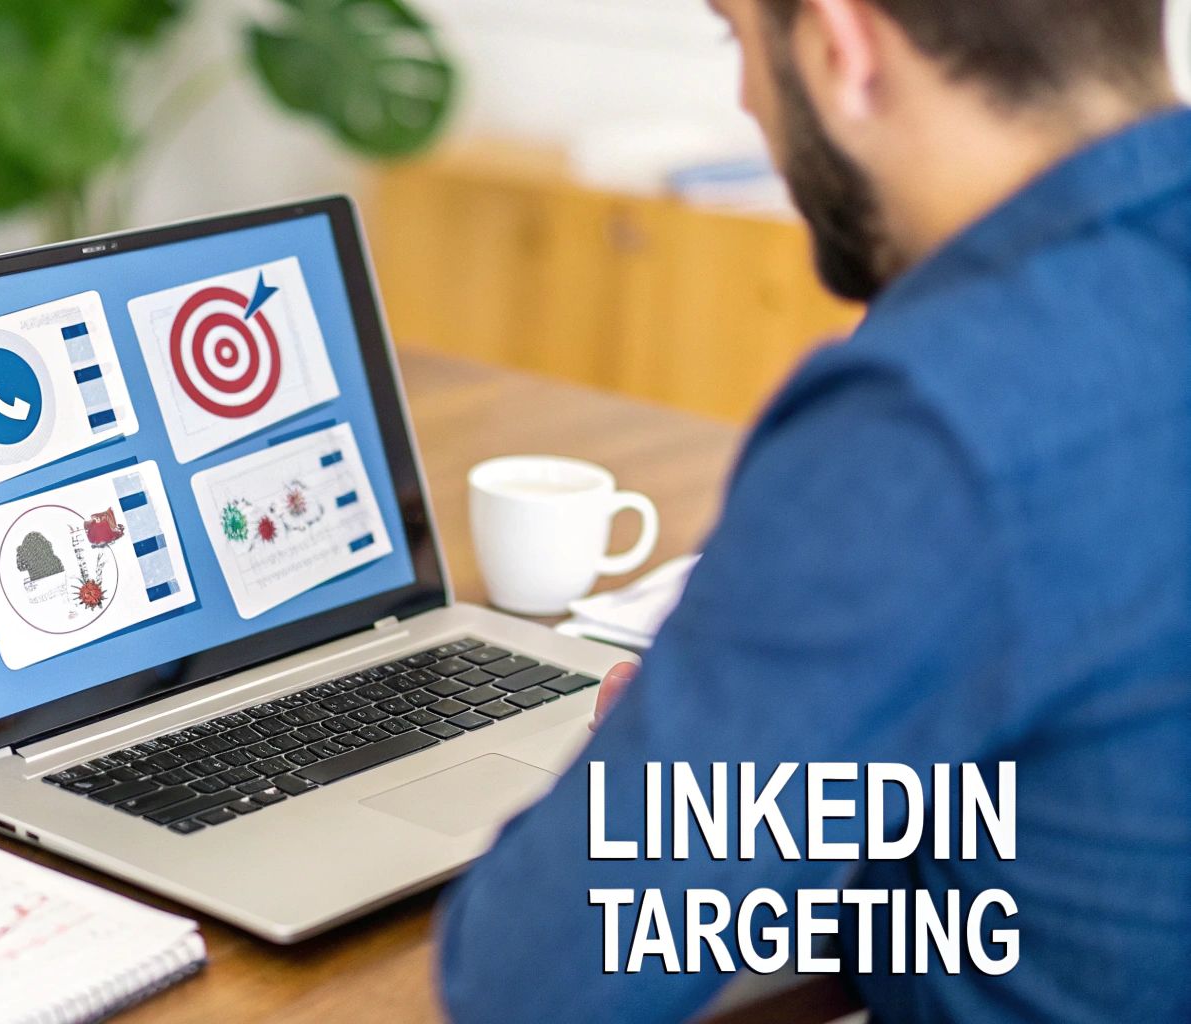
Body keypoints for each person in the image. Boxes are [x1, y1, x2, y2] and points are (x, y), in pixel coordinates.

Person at [438, 0, 1191, 1020]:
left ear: (839, 48)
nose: (746, 100)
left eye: (733, 40)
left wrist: (708, 769)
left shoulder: (929, 418)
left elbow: (521, 987)